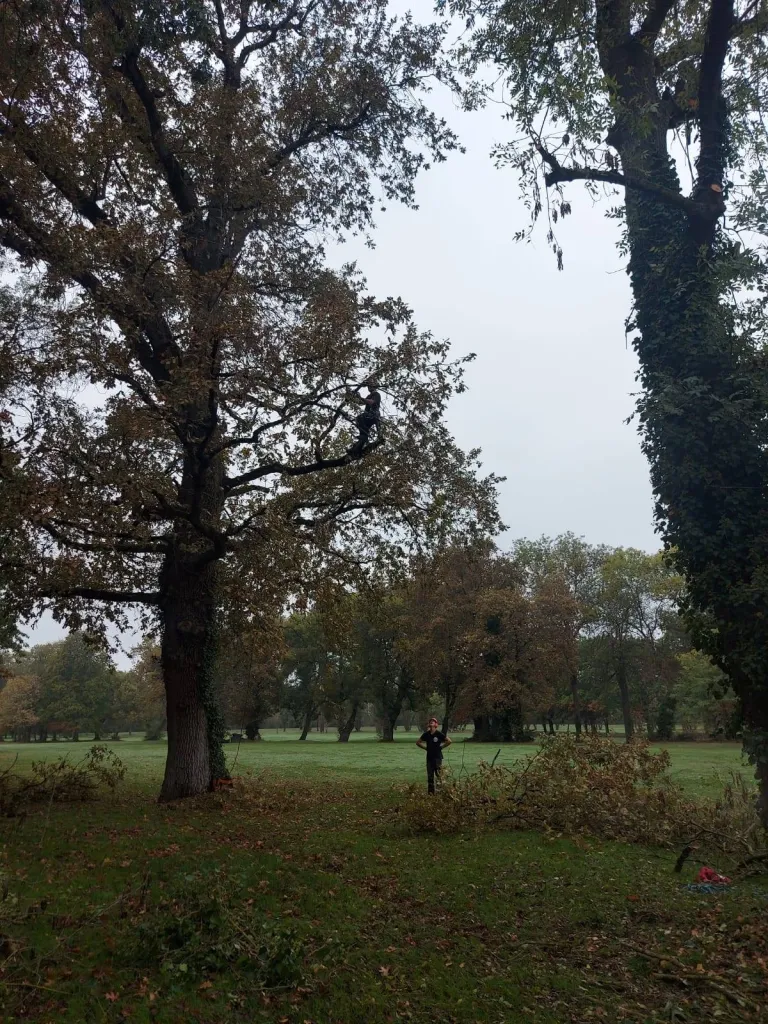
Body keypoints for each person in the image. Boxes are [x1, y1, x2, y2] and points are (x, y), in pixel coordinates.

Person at [416, 717, 451, 794]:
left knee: (439, 776)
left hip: (438, 758)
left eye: (433, 721)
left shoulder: (439, 734)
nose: (431, 722)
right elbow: (418, 742)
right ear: (429, 724)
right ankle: (431, 794)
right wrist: (425, 748)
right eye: (430, 721)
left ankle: (440, 792)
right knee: (430, 776)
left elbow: (449, 741)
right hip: (429, 758)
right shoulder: (426, 734)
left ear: (436, 724)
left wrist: (441, 747)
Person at [351, 382, 381, 454]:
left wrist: (361, 398)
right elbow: (360, 402)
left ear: (375, 387)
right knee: (359, 421)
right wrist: (355, 396)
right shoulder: (369, 396)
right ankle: (359, 445)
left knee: (360, 417)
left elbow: (372, 402)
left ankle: (364, 436)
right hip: (367, 416)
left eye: (371, 386)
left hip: (373, 415)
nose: (369, 387)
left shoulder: (376, 394)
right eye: (368, 386)